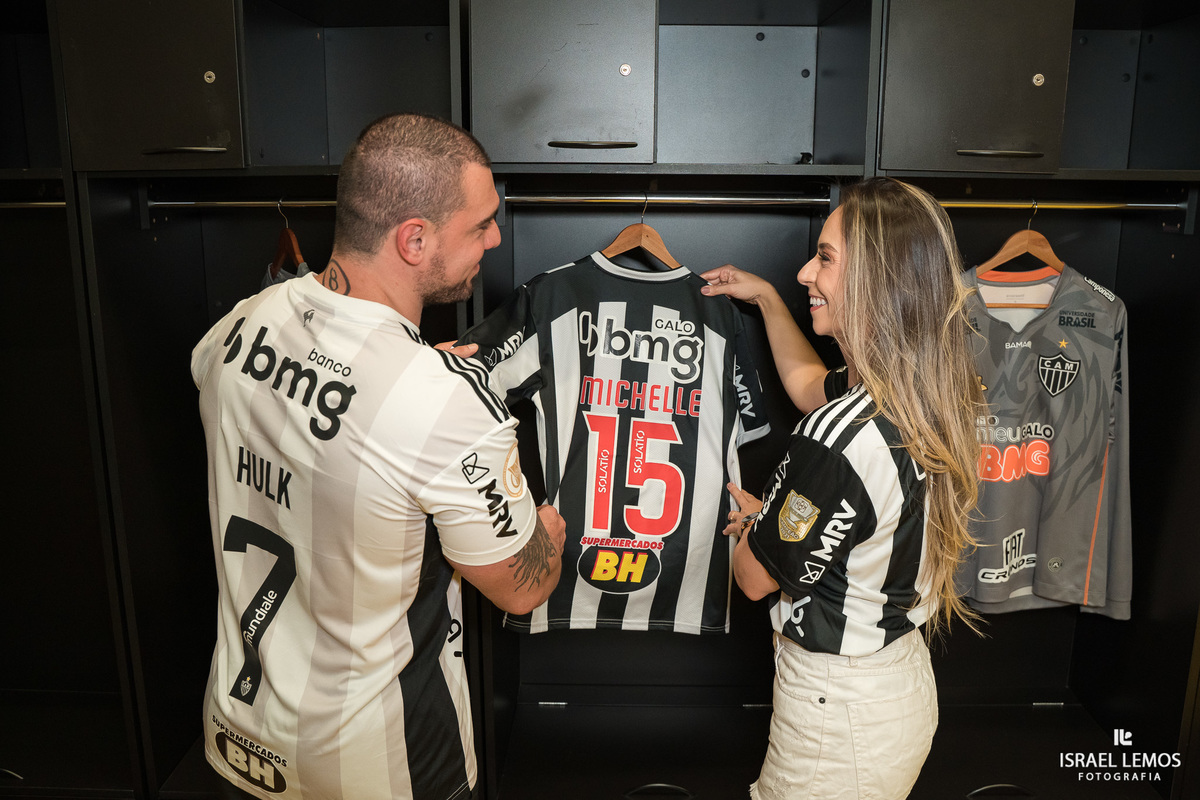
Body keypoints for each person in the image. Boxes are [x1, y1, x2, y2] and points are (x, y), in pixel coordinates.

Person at [191, 113, 566, 800]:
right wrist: (548, 532)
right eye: (480, 223)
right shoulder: (443, 403)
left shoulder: (241, 322)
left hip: (237, 742)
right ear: (414, 239)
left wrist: (412, 392)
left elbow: (309, 427)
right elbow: (522, 585)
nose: (495, 237)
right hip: (380, 768)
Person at [699, 177, 984, 800]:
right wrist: (771, 301)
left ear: (878, 281)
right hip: (894, 687)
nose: (806, 271)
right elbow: (809, 386)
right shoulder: (925, 395)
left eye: (825, 258)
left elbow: (754, 579)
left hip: (839, 715)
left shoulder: (837, 436)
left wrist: (760, 521)